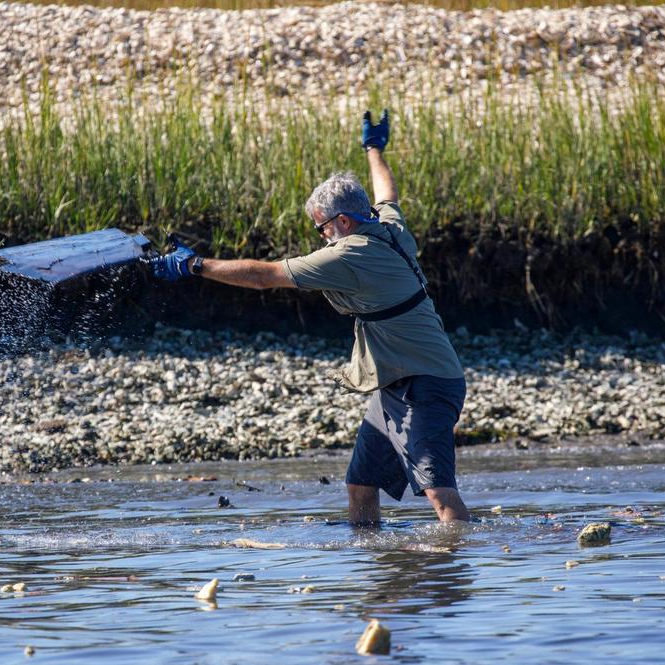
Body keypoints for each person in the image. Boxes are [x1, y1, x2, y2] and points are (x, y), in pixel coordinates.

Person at [150, 110, 472, 525]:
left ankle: (457, 573)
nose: (320, 236)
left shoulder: (349, 254)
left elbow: (266, 277)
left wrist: (195, 266)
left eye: (321, 228)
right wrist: (374, 149)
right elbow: (387, 194)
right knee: (360, 484)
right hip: (394, 382)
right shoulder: (389, 226)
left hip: (426, 386)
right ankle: (374, 568)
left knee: (438, 492)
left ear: (342, 221)